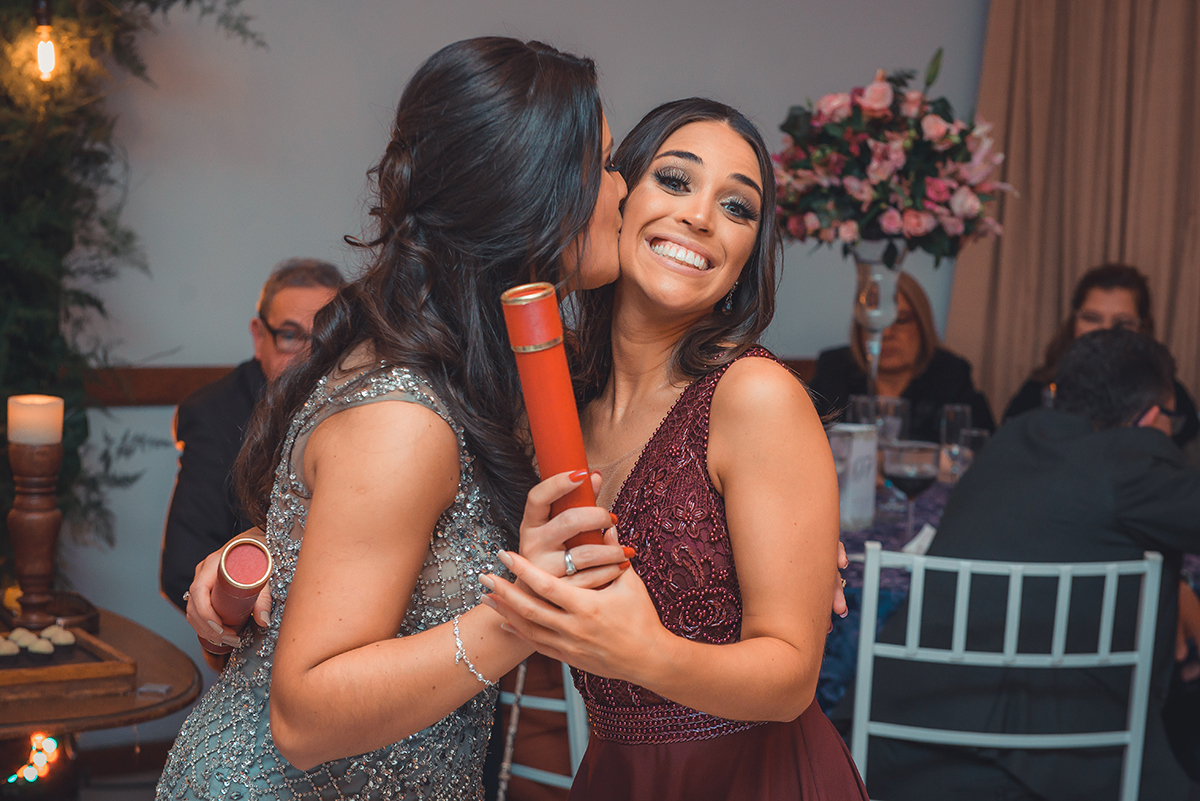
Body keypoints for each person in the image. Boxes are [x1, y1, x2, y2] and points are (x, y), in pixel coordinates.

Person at [155, 37, 633, 801]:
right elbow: (304, 717)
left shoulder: (490, 366)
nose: (625, 189)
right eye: (606, 165)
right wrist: (524, 613)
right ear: (533, 189)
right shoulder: (407, 417)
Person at [483, 99, 867, 800]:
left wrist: (647, 653)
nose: (701, 217)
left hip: (757, 780)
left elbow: (790, 677)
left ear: (749, 252)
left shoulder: (754, 396)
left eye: (738, 206)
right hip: (614, 775)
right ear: (616, 200)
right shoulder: (550, 403)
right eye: (676, 179)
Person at [840, 328, 1200, 800]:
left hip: (896, 751)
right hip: (1059, 763)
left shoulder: (1012, 440)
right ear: (1150, 417)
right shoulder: (1134, 456)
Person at [160, 258, 342, 615]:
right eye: (290, 336)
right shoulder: (215, 414)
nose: (308, 357)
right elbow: (183, 569)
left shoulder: (361, 409)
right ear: (260, 337)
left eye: (323, 340)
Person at [1004, 262, 1199, 450]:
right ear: (1074, 323)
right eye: (1092, 319)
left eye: (1122, 323)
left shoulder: (1167, 396)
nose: (1105, 332)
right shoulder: (1039, 388)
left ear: (1142, 329)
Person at [808, 271, 994, 443]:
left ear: (922, 324)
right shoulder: (834, 368)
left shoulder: (950, 372)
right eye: (875, 322)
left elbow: (983, 447)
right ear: (859, 329)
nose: (887, 333)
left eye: (900, 320)